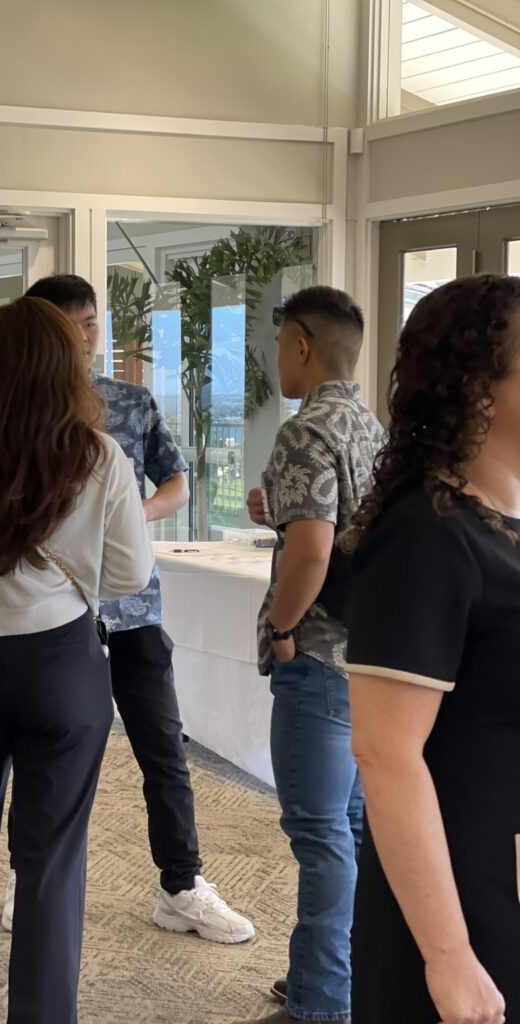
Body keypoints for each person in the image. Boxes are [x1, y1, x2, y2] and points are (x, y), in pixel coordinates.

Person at [0, 296, 153, 1024]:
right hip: (62, 663)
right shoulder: (100, 456)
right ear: (66, 366)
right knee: (50, 861)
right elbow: (130, 575)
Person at [0, 273, 254, 944]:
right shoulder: (15, 412)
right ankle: (28, 875)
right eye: (75, 323)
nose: (89, 336)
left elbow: (178, 483)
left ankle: (182, 885)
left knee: (163, 749)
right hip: (51, 615)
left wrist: (127, 516)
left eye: (93, 322)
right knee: (44, 754)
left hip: (134, 609)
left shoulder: (131, 403)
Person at [345, 274, 519, 1024]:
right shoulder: (428, 537)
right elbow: (385, 753)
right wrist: (449, 957)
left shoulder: (501, 524)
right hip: (460, 893)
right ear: (480, 389)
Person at [243, 286, 384, 1024]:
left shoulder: (305, 431)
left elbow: (311, 553)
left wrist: (282, 629)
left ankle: (321, 1005)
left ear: (302, 346)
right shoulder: (372, 427)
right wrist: (278, 505)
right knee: (350, 831)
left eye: (278, 346)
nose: (277, 360)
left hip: (320, 658)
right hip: (368, 660)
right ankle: (336, 979)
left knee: (320, 835)